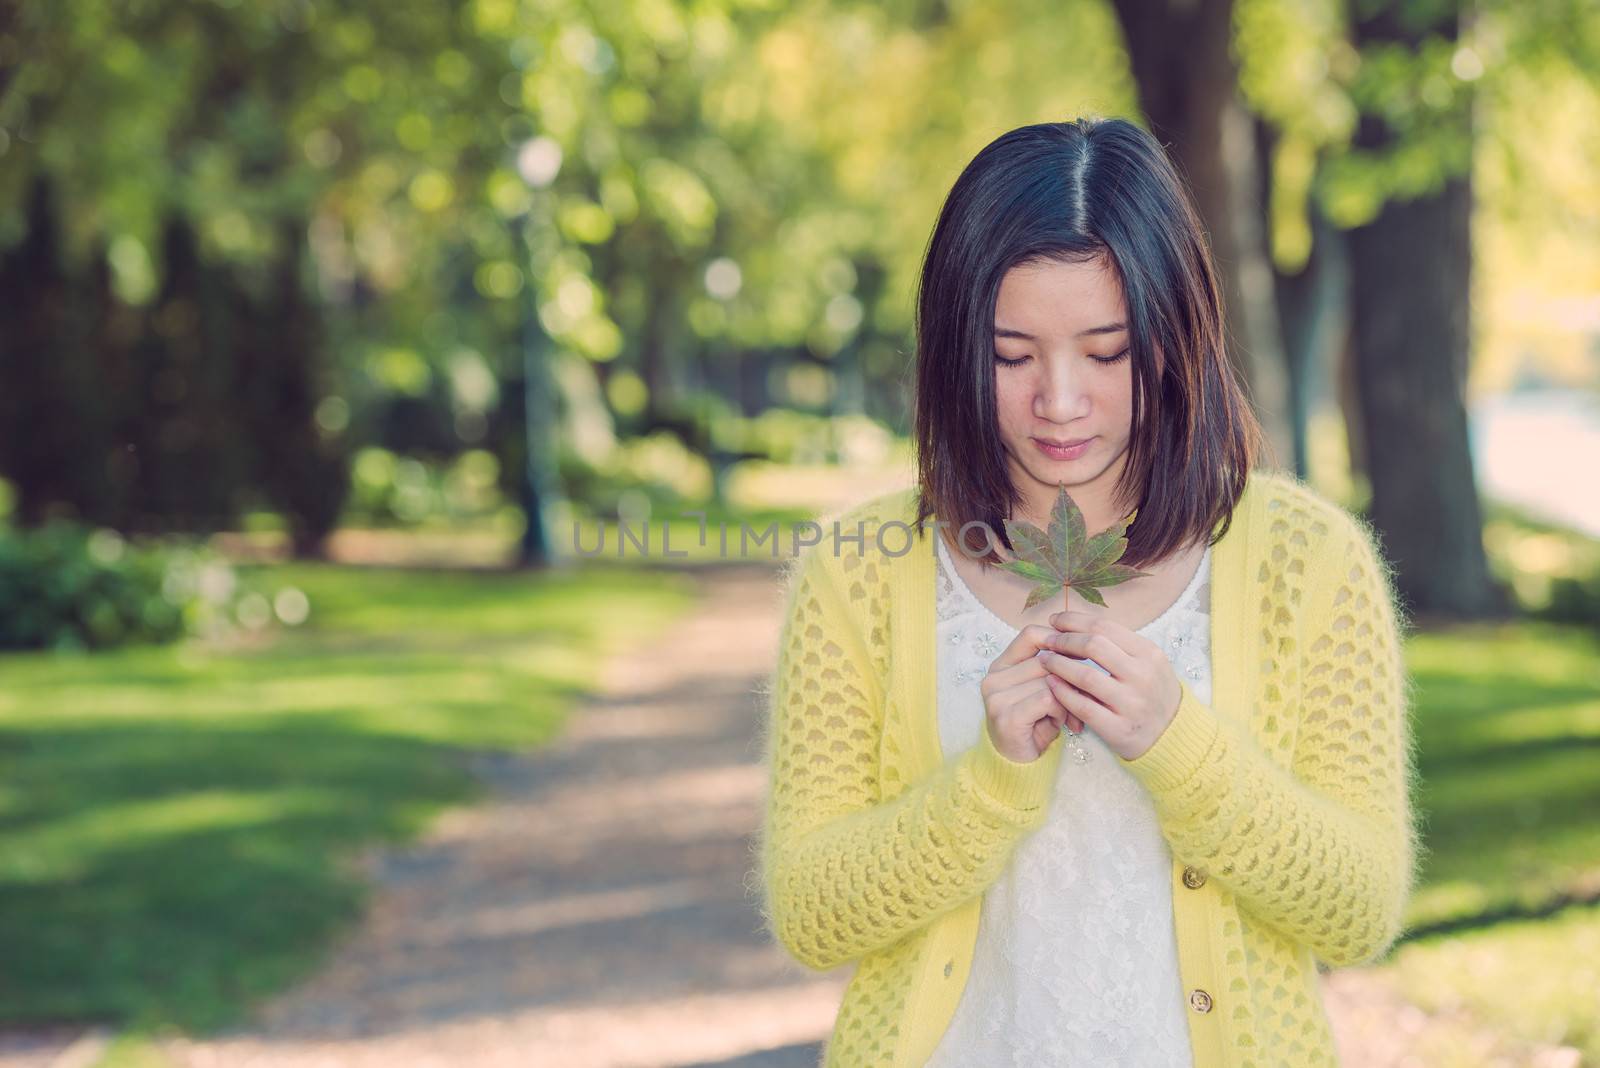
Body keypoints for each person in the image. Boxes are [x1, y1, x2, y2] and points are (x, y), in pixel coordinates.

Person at [754, 115, 1423, 1068]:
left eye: (1105, 353)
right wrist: (989, 786)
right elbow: (812, 917)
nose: (1059, 401)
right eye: (1011, 355)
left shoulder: (1306, 563)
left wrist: (1177, 746)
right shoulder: (859, 569)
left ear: (1173, 337)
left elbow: (1358, 912)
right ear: (954, 350)